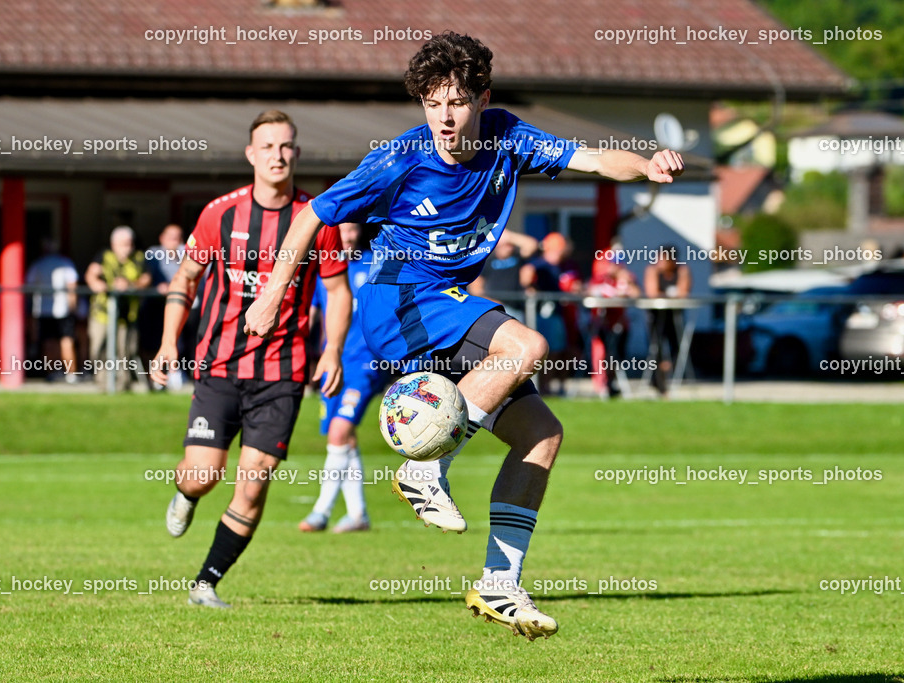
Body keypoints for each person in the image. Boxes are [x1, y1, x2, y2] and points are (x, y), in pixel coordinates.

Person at [243, 33, 683, 640]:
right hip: (400, 300)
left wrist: (647, 165)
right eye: (432, 104)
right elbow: (311, 214)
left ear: (483, 98)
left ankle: (500, 584)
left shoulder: (507, 136)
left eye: (455, 102)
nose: (444, 118)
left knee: (541, 436)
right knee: (526, 346)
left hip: (443, 306)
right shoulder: (400, 159)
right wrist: (272, 293)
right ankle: (426, 470)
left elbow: (594, 159)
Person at [151, 110, 350, 609]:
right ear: (250, 154)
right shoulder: (219, 214)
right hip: (219, 366)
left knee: (254, 482)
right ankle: (186, 494)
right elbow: (186, 279)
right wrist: (168, 341)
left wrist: (332, 350)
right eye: (267, 147)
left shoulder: (318, 219)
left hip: (283, 372)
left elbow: (337, 291)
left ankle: (206, 583)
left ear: (296, 153)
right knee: (202, 475)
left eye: (285, 147)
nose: (276, 156)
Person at [299, 222, 390, 534]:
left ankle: (320, 512)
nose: (348, 236)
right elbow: (311, 318)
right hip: (333, 365)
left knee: (339, 432)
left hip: (367, 364)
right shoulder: (324, 270)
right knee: (343, 439)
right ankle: (358, 515)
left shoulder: (375, 264)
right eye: (342, 231)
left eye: (352, 230)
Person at [85, 226, 150, 391]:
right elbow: (91, 274)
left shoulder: (139, 258)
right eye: (123, 244)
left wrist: (130, 285)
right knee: (98, 348)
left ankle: (122, 384)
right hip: (102, 313)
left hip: (127, 315)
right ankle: (102, 383)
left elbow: (146, 278)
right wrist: (98, 284)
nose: (126, 248)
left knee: (125, 350)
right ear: (113, 244)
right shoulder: (104, 256)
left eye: (129, 244)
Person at [521, 232, 582, 395]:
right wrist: (529, 286)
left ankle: (551, 385)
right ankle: (543, 386)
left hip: (557, 314)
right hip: (545, 315)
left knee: (558, 351)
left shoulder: (559, 266)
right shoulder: (540, 265)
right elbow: (527, 272)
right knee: (545, 351)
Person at [587, 251, 640, 399]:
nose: (614, 267)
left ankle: (611, 384)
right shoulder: (601, 278)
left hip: (619, 324)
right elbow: (590, 291)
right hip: (601, 323)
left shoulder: (626, 278)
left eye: (618, 264)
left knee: (616, 356)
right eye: (612, 264)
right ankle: (602, 385)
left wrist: (628, 283)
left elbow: (636, 294)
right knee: (601, 355)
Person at [26, 238, 79, 383]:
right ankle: (71, 374)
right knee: (66, 340)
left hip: (43, 309)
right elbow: (72, 287)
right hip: (62, 309)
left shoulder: (37, 264)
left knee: (49, 342)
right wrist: (73, 307)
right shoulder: (65, 263)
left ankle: (52, 373)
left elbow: (29, 287)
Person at [143, 224, 190, 390]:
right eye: (170, 237)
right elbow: (145, 278)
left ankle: (174, 372)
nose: (174, 241)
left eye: (177, 237)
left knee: (179, 341)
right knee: (154, 342)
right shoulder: (152, 253)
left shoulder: (186, 253)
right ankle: (156, 375)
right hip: (156, 306)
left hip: (180, 307)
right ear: (162, 238)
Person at [643, 245, 691, 397]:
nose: (659, 262)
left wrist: (665, 294)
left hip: (675, 316)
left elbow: (683, 292)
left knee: (678, 348)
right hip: (656, 316)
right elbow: (652, 293)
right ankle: (658, 384)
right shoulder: (652, 270)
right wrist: (671, 294)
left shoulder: (682, 271)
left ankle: (671, 377)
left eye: (663, 259)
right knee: (655, 349)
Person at [468, 230, 538, 321]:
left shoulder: (517, 257)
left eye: (510, 245)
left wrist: (509, 236)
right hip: (494, 308)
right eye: (505, 245)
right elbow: (476, 289)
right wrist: (492, 303)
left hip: (515, 307)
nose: (509, 248)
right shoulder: (487, 261)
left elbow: (532, 245)